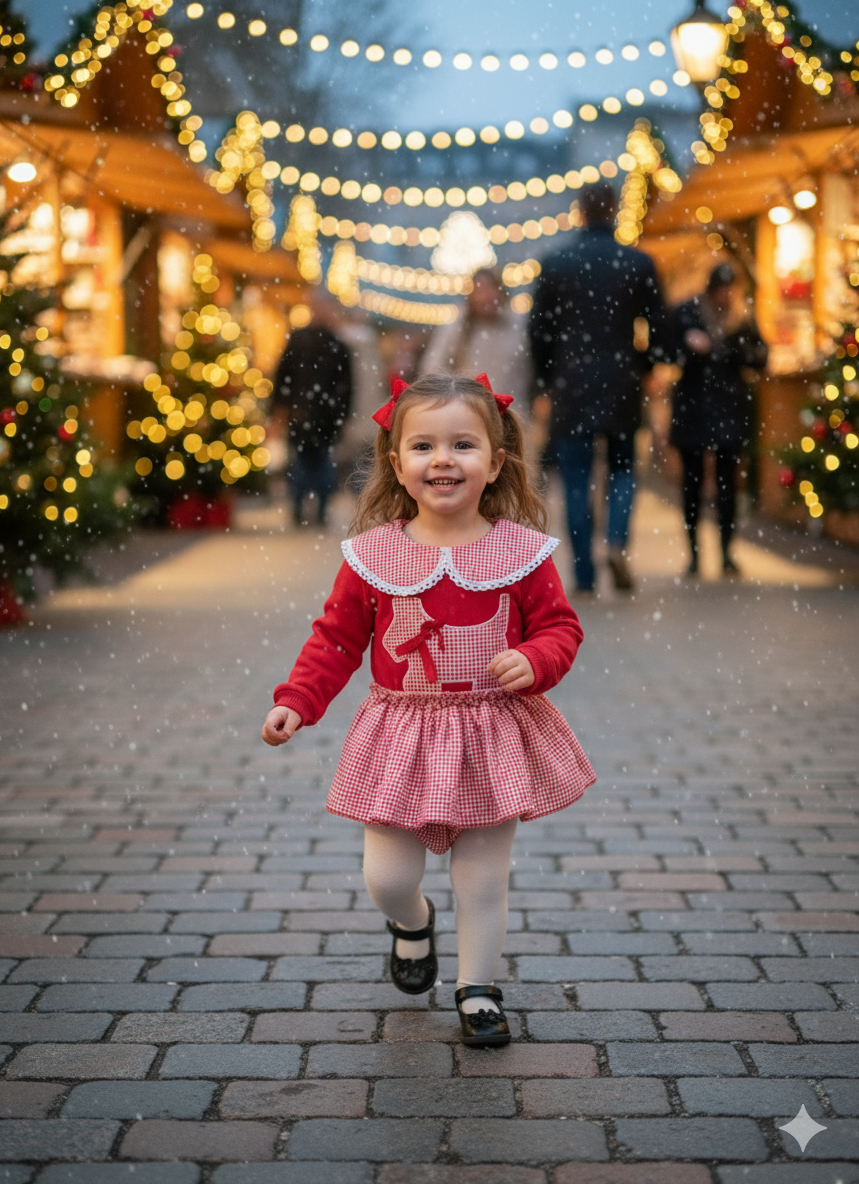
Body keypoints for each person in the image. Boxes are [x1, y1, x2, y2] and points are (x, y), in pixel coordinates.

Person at [262, 372, 595, 1046]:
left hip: (490, 730)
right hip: (399, 733)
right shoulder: (373, 555)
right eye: (424, 447)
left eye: (463, 445)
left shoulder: (521, 553)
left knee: (481, 875)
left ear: (496, 462)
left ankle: (478, 989)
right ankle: (411, 925)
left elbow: (561, 628)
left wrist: (535, 660)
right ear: (397, 463)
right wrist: (298, 699)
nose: (443, 460)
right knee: (387, 875)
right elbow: (337, 637)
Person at [529, 179, 668, 593]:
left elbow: (539, 332)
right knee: (623, 469)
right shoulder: (638, 263)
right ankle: (617, 543)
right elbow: (659, 327)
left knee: (575, 478)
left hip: (571, 383)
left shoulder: (555, 264)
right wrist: (643, 364)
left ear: (580, 211)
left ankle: (584, 571)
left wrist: (547, 378)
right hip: (623, 380)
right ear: (614, 210)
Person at [670, 262, 768, 576]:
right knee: (692, 485)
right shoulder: (688, 312)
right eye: (721, 289)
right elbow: (666, 350)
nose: (726, 295)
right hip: (694, 408)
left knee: (727, 486)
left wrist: (735, 349)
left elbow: (762, 357)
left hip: (729, 409)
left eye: (730, 289)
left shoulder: (742, 318)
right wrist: (688, 347)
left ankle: (726, 552)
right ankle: (695, 554)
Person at [271, 312, 353, 526]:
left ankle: (299, 508)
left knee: (301, 462)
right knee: (321, 462)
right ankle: (320, 510)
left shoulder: (299, 340)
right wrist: (341, 413)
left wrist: (280, 407)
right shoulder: (336, 342)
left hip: (302, 414)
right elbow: (346, 384)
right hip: (325, 416)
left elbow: (282, 376)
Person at [419, 267, 533, 401]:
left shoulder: (519, 326)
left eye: (491, 288)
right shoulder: (457, 328)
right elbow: (433, 367)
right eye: (480, 291)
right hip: (471, 408)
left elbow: (531, 368)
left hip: (513, 406)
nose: (486, 296)